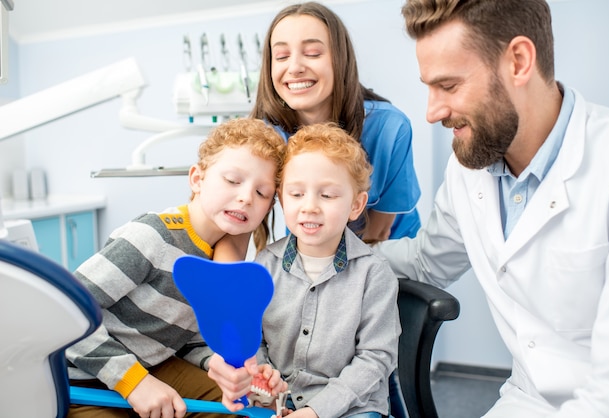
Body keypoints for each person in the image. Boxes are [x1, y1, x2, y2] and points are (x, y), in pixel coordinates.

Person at [374, 0, 609, 417]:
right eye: (428, 87)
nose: (432, 111)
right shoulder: (470, 167)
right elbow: (424, 262)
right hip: (525, 401)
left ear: (519, 61)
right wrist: (330, 256)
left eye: (449, 86)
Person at [65, 118, 285, 418]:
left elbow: (185, 337)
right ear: (197, 179)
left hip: (154, 366)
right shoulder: (152, 237)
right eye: (233, 180)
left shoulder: (220, 257)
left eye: (262, 193)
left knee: (234, 409)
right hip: (85, 378)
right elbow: (66, 316)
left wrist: (214, 363)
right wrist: (135, 383)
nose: (246, 197)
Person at [208, 123, 401, 418]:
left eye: (327, 196)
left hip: (351, 408)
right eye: (296, 194)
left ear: (356, 204)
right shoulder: (265, 264)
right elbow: (253, 339)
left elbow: (375, 359)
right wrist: (263, 379)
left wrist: (314, 412)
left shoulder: (374, 274)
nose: (309, 207)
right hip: (275, 403)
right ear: (282, 199)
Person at [252, 1, 421, 243]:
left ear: (340, 60)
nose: (295, 67)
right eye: (281, 56)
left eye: (312, 54)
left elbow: (380, 231)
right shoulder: (269, 135)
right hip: (311, 250)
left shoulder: (389, 129)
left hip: (385, 254)